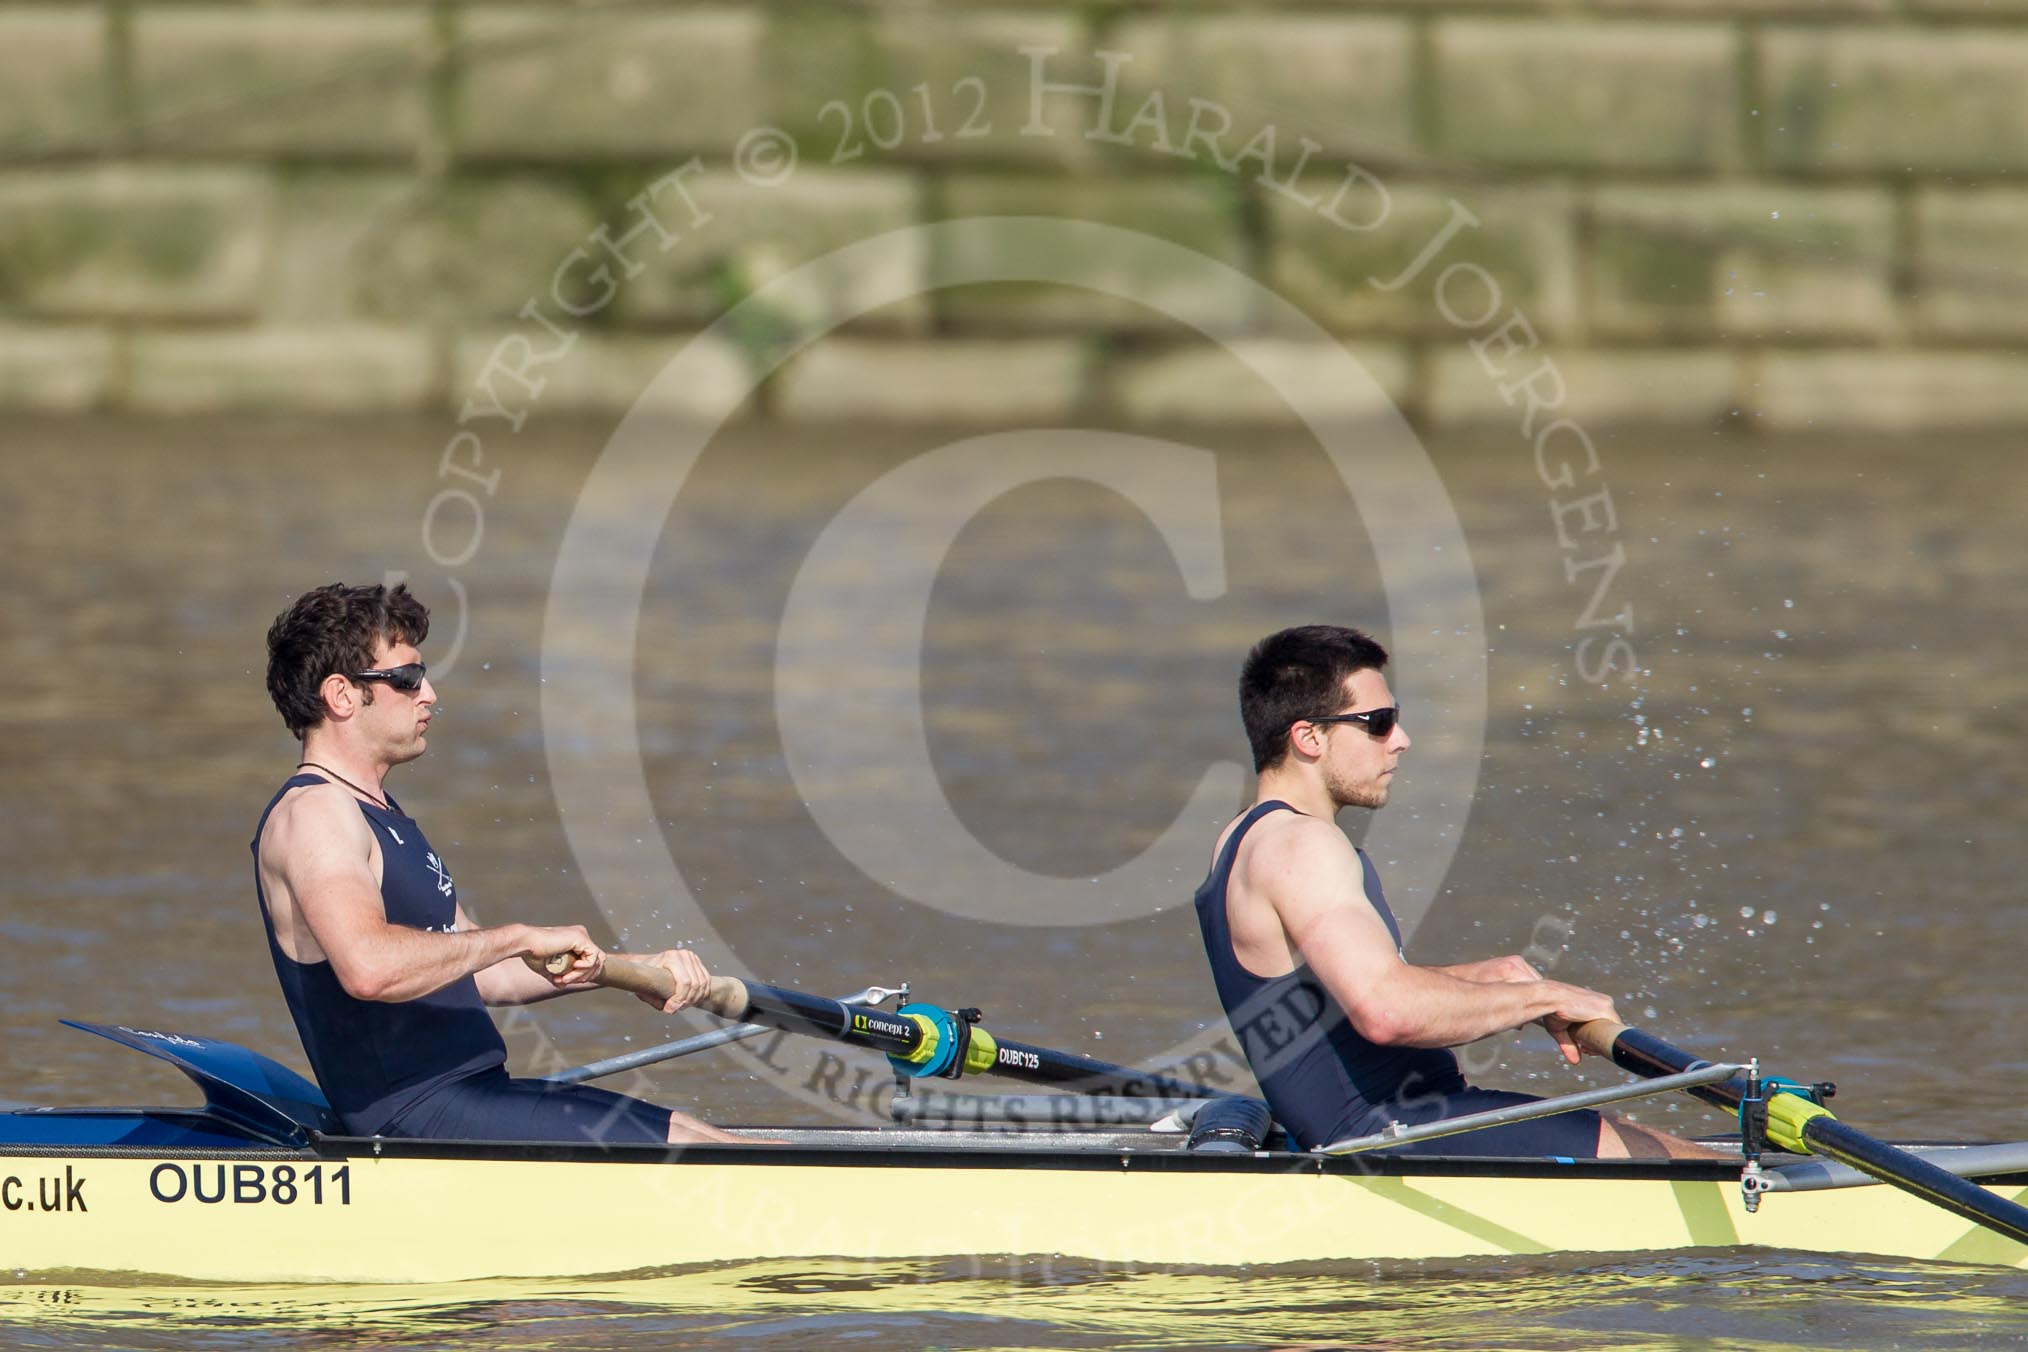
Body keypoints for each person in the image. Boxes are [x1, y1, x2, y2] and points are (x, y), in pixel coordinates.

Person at [1194, 624, 1722, 1159]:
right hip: (1388, 1134)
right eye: (1377, 723)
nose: (1400, 739)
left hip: (1397, 1123)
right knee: (1654, 1153)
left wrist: (1485, 980)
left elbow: (1326, 997)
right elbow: (1385, 1011)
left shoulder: (1246, 837)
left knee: (1632, 1139)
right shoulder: (1302, 846)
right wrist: (1542, 998)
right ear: (1309, 737)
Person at [253, 582, 744, 1145]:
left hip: (472, 1095)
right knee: (697, 1151)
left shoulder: (375, 811)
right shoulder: (315, 814)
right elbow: (370, 968)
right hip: (415, 1118)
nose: (429, 694)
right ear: (341, 695)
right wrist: (515, 935)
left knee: (701, 1133)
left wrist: (625, 968)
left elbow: (482, 972)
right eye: (408, 678)